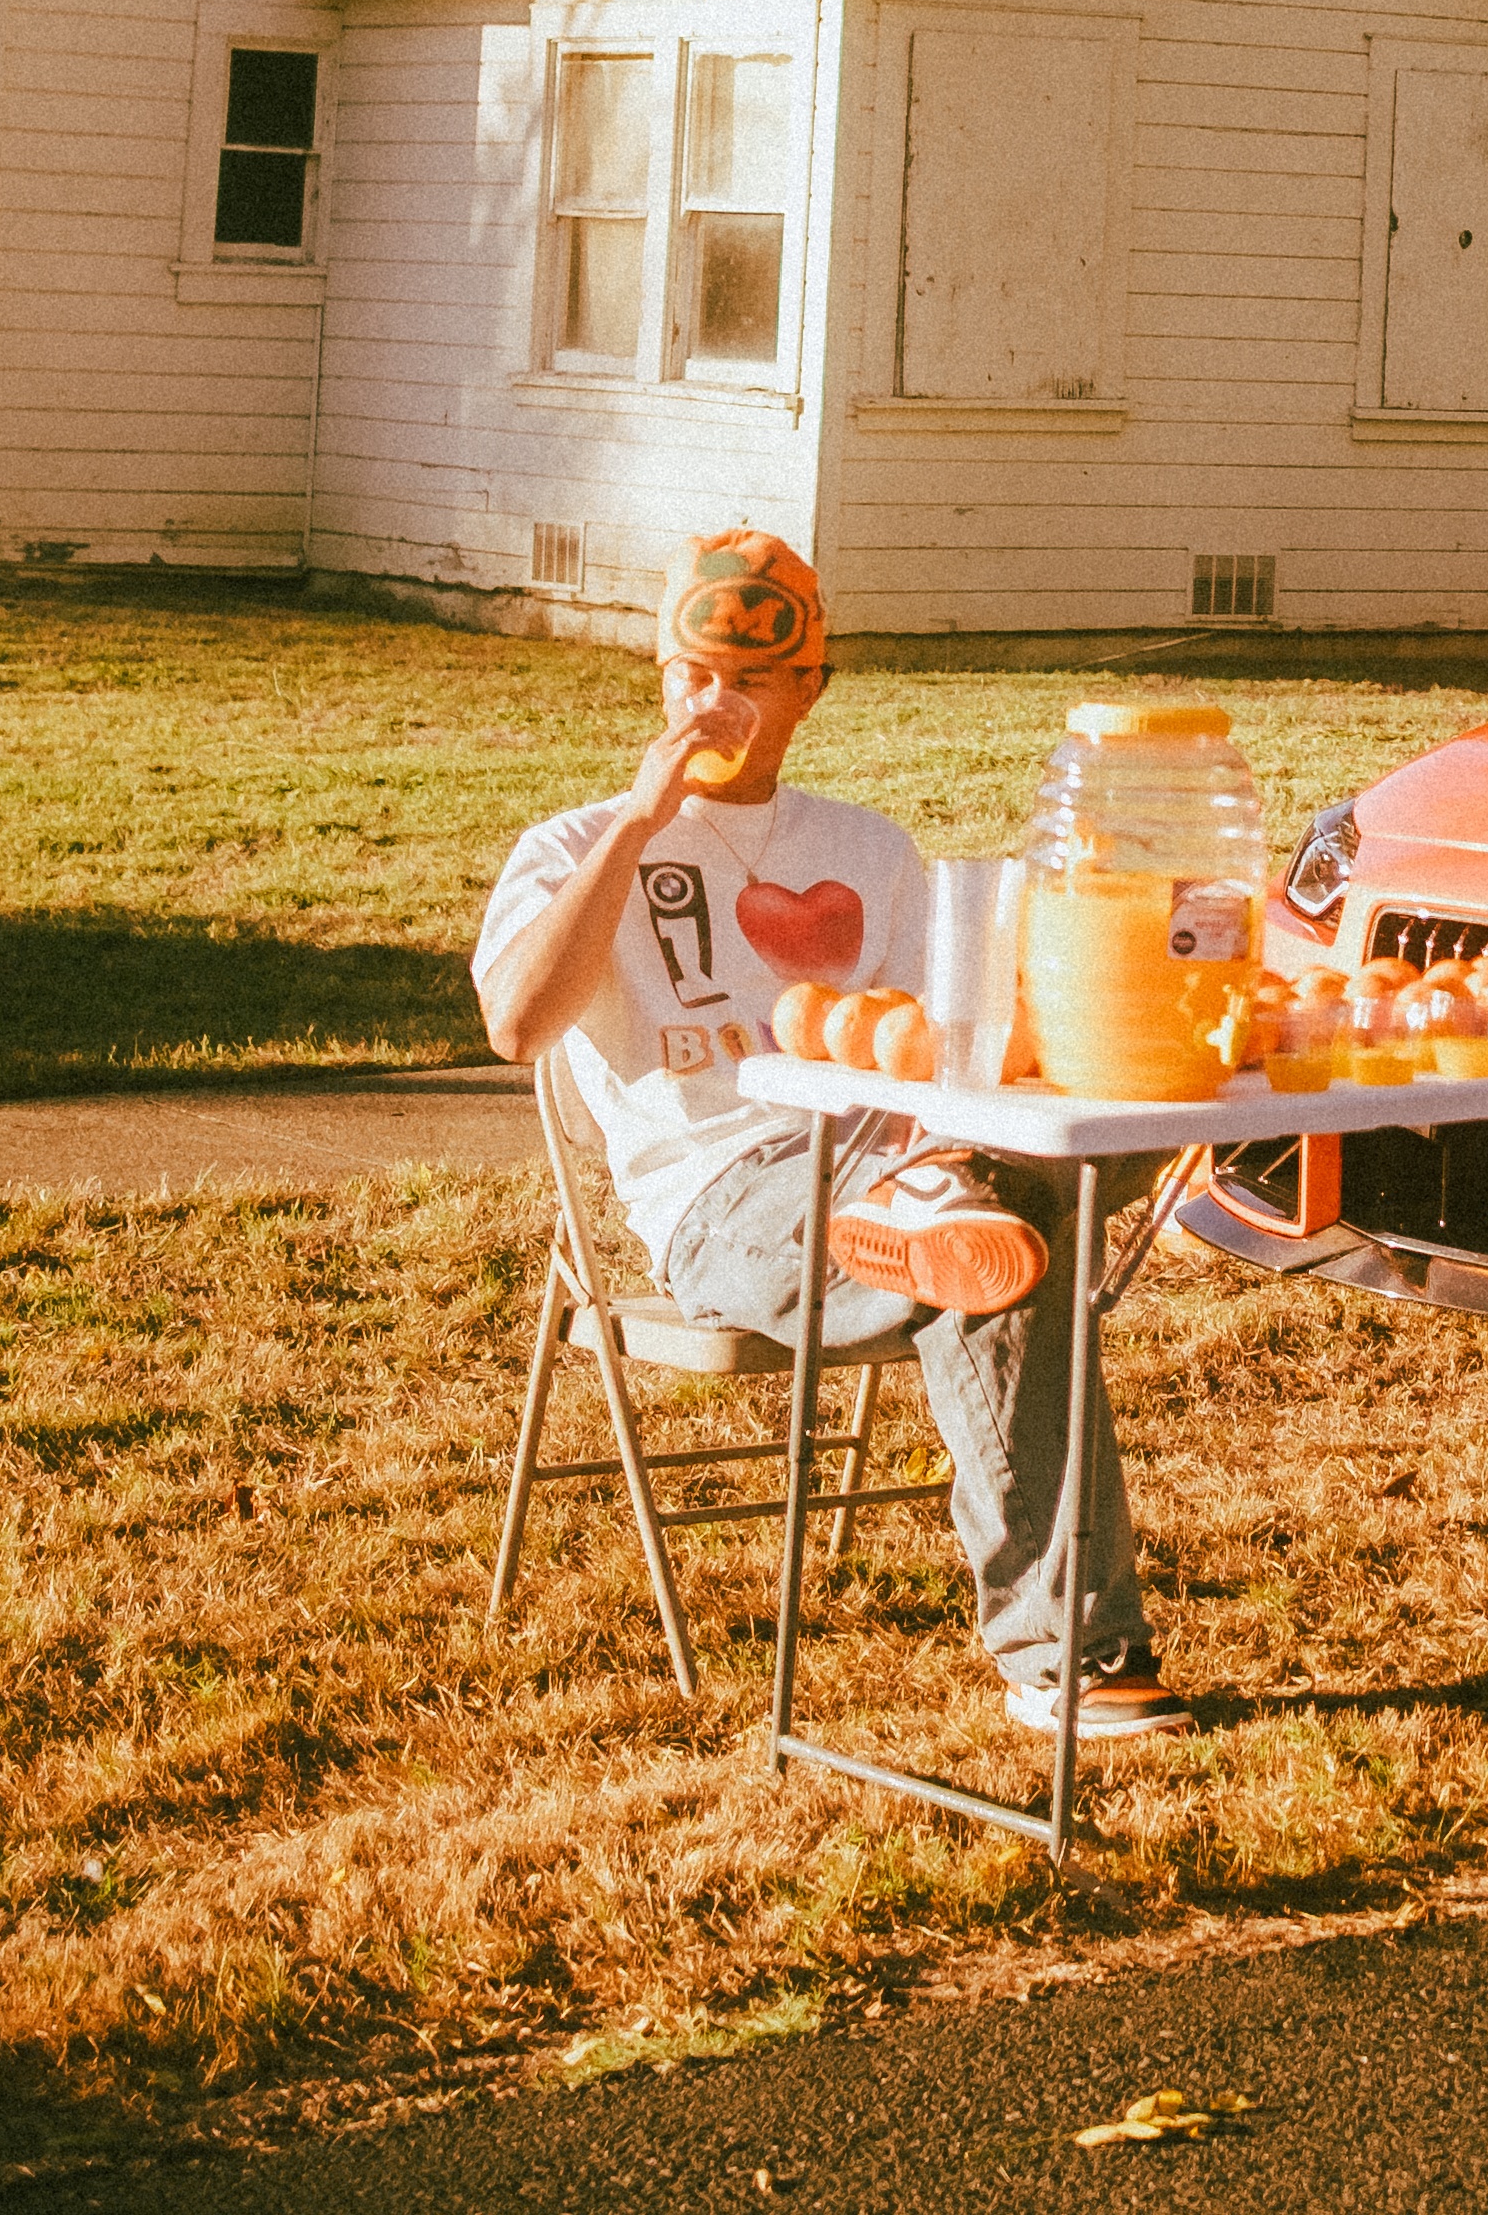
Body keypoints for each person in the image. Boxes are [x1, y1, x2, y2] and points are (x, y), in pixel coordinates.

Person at [473, 527, 1180, 1743]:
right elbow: (518, 1023)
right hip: (724, 1199)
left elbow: (935, 1048)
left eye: (747, 679)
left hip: (896, 1150)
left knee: (1068, 1152)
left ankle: (940, 1198)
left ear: (810, 686)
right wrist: (636, 825)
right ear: (658, 676)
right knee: (1002, 1232)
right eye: (690, 676)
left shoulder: (868, 848)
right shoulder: (570, 845)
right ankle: (1069, 1653)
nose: (712, 704)